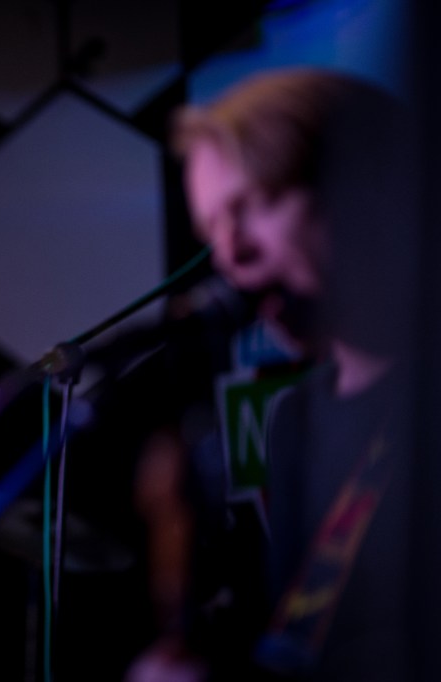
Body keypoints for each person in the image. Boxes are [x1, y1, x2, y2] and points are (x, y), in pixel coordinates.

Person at [127, 66, 431, 681]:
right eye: (212, 228)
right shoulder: (295, 420)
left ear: (359, 187)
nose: (230, 255)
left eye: (250, 206)